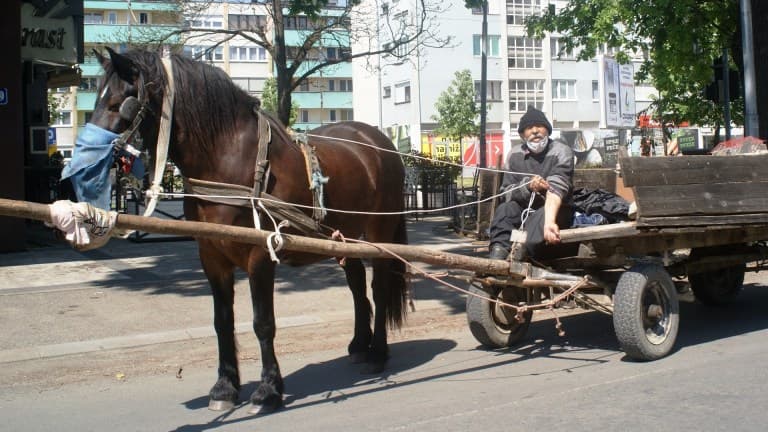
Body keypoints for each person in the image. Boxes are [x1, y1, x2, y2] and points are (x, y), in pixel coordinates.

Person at [488, 106, 575, 261]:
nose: (535, 131)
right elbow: (506, 192)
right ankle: (497, 255)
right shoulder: (514, 154)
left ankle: (519, 256)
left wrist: (549, 221)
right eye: (529, 128)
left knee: (542, 214)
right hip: (523, 210)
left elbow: (557, 188)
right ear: (522, 134)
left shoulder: (562, 151)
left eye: (539, 126)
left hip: (554, 209)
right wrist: (527, 186)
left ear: (547, 130)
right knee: (505, 209)